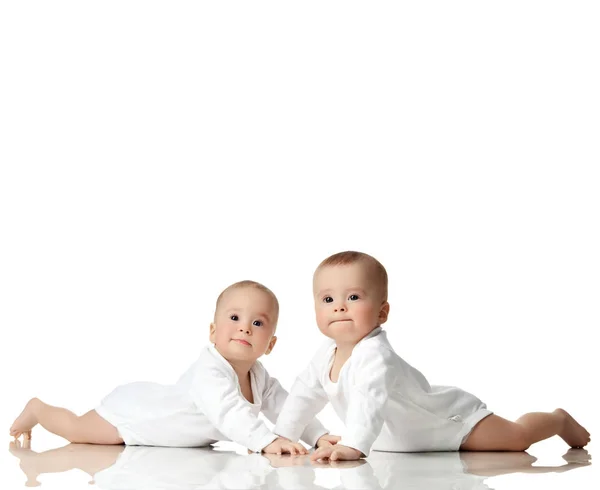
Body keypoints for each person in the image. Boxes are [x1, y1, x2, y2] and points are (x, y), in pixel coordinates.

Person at [274, 251, 591, 461]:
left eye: (353, 297)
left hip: (448, 423)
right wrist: (283, 436)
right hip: (399, 441)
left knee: (517, 439)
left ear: (382, 312)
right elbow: (304, 394)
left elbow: (368, 401)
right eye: (328, 299)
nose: (340, 306)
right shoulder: (324, 355)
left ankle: (558, 419)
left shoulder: (375, 356)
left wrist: (353, 446)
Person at [10, 280, 337, 454]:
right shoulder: (210, 372)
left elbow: (287, 407)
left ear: (270, 344)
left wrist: (317, 436)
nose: (244, 328)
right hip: (138, 417)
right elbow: (228, 411)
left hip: (156, 416)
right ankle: (38, 410)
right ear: (212, 332)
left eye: (257, 322)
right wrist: (266, 441)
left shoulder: (259, 377)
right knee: (79, 431)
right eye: (234, 318)